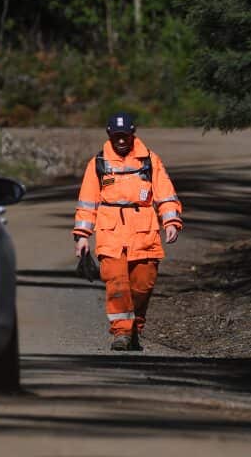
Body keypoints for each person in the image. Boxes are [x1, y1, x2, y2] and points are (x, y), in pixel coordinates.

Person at [72, 112, 183, 351]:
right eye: (116, 136)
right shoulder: (98, 163)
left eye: (125, 136)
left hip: (144, 233)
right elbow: (87, 203)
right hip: (110, 234)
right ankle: (121, 332)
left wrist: (171, 222)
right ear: (109, 135)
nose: (121, 140)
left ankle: (135, 328)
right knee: (116, 283)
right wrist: (82, 236)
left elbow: (165, 194)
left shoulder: (150, 160)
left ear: (133, 134)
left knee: (143, 284)